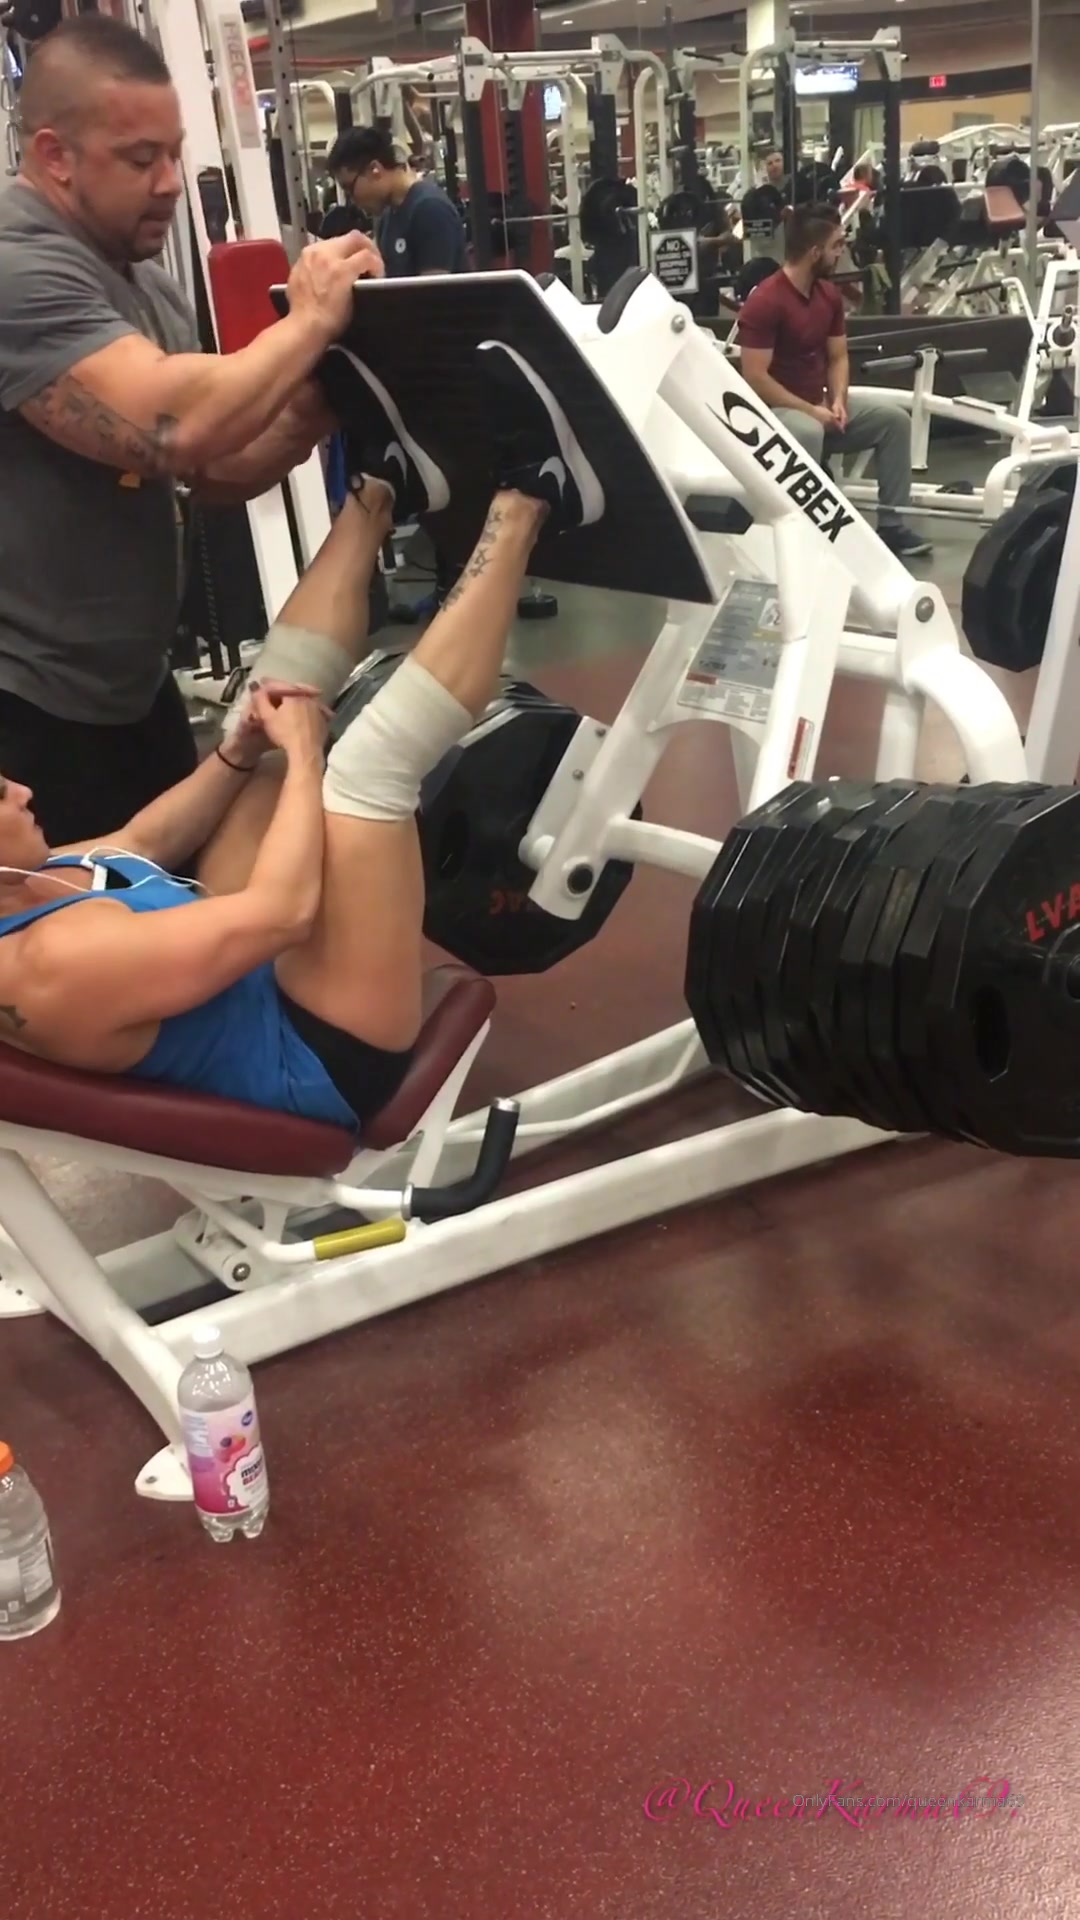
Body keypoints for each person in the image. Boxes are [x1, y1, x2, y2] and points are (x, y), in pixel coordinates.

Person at [0, 341, 602, 1126]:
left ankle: (381, 489)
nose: (22, 789)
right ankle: (534, 497)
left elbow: (139, 841)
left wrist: (239, 750)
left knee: (264, 711)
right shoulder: (51, 961)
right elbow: (282, 913)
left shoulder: (24, 886)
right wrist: (310, 751)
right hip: (320, 1054)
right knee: (364, 774)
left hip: (248, 979)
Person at [0, 14, 381, 846]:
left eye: (175, 154)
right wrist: (308, 320)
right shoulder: (17, 267)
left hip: (131, 689)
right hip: (25, 708)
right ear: (56, 155)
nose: (171, 182)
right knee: (75, 920)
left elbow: (207, 467)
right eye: (142, 159)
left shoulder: (143, 284)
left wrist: (318, 408)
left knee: (169, 895)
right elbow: (171, 426)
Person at [737, 204, 931, 560]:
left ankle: (893, 526)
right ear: (815, 252)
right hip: (774, 415)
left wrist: (838, 399)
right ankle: (812, 536)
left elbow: (838, 357)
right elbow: (755, 379)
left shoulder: (827, 295)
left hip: (819, 406)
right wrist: (812, 410)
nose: (841, 252)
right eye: (837, 245)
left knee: (893, 421)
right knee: (809, 430)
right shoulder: (766, 301)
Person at [327, 125, 466, 279]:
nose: (352, 200)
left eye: (350, 189)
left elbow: (434, 290)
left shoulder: (430, 209)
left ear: (375, 169)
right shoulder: (387, 217)